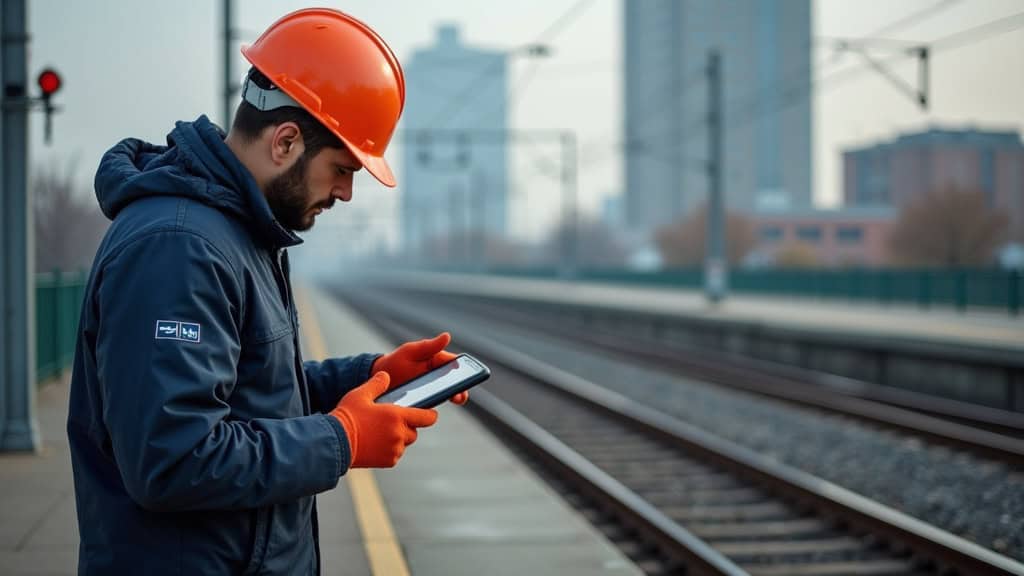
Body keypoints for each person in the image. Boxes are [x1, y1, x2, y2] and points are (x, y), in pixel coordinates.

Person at [66, 8, 465, 575]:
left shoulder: (237, 235)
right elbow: (172, 458)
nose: (348, 193)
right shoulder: (179, 249)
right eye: (342, 168)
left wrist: (372, 375)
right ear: (285, 142)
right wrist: (343, 439)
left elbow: (248, 394)